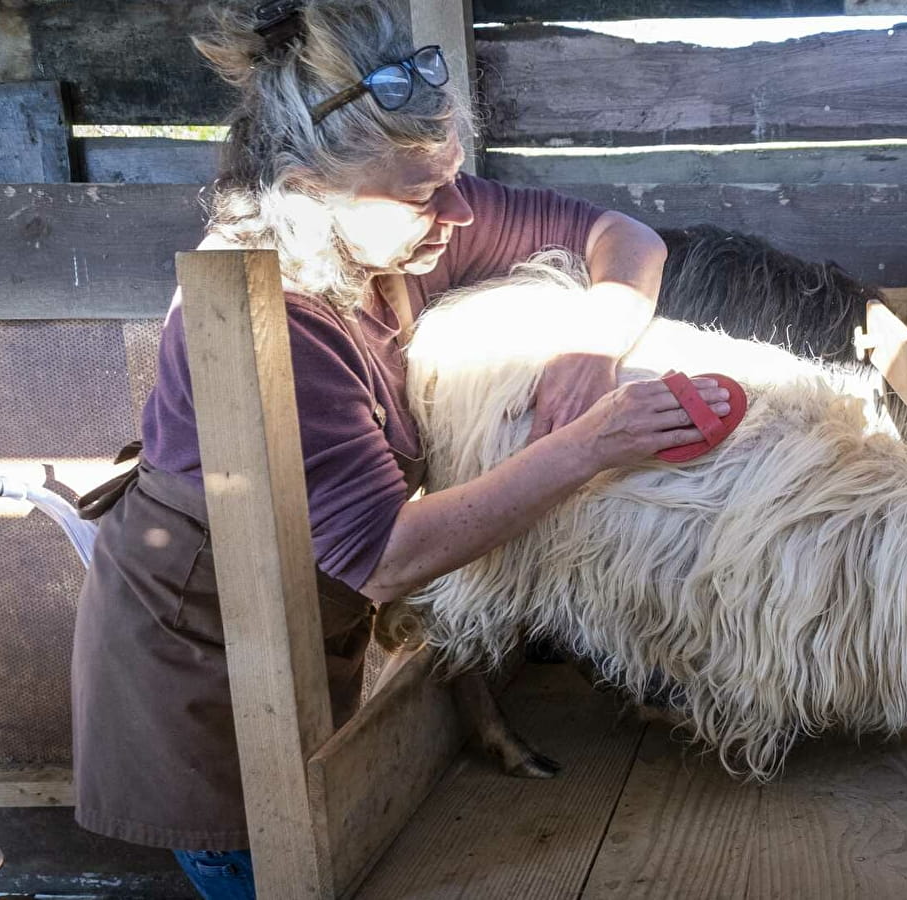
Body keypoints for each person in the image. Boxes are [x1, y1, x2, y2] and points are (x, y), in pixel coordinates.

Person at [67, 2, 730, 896]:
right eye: (424, 193)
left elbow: (620, 236)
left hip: (309, 628)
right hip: (210, 658)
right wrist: (590, 446)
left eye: (453, 177)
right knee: (262, 860)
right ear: (307, 191)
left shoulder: (400, 229)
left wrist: (594, 340)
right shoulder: (278, 322)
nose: (458, 211)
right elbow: (388, 556)